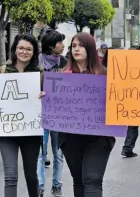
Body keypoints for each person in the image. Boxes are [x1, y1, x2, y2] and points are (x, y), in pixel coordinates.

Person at [0, 34, 42, 197]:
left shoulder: (40, 72)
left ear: (34, 52)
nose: (24, 52)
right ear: (14, 50)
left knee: (31, 176)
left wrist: (45, 96)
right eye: (21, 48)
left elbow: (50, 102)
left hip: (31, 133)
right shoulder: (2, 70)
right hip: (8, 132)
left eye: (29, 49)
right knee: (10, 177)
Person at [59, 32, 115, 197]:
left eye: (81, 45)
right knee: (79, 181)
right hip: (71, 138)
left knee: (92, 180)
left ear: (90, 48)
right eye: (73, 46)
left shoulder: (105, 75)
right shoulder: (63, 75)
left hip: (99, 137)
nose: (76, 49)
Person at [38, 29, 67, 197]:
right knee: (40, 153)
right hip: (41, 115)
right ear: (51, 46)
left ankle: (57, 185)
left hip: (59, 116)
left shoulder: (65, 63)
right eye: (60, 42)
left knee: (58, 153)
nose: (63, 45)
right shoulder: (36, 63)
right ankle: (40, 187)